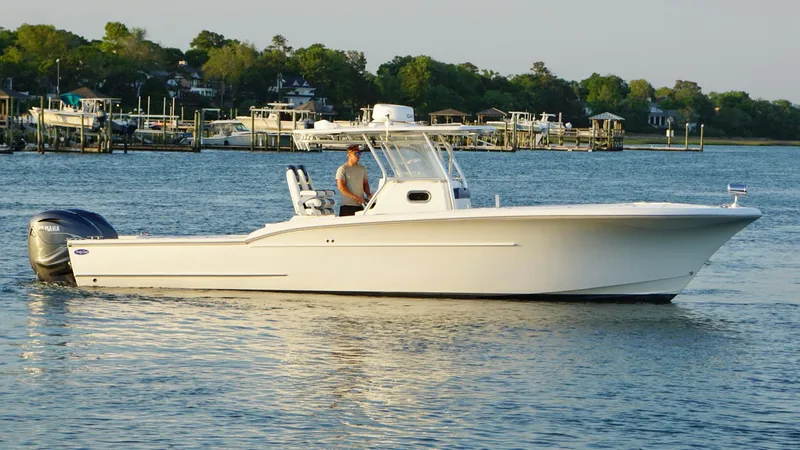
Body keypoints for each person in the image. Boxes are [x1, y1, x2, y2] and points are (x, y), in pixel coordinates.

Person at [336, 144, 371, 216]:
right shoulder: (342, 169)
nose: (358, 156)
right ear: (349, 155)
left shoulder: (362, 168)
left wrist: (368, 195)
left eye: (360, 153)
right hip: (347, 206)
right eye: (356, 154)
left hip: (360, 205)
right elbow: (341, 187)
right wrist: (355, 197)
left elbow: (365, 184)